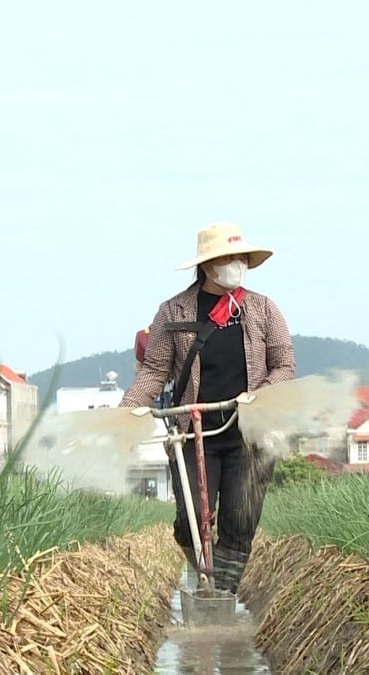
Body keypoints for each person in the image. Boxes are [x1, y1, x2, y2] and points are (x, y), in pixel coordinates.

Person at [120, 221, 295, 595]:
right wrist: (128, 411)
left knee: (239, 523)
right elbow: (154, 370)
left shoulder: (264, 309)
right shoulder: (173, 311)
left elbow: (284, 365)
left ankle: (220, 599)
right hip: (193, 432)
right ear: (207, 265)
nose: (236, 265)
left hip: (248, 434)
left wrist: (261, 395)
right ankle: (201, 569)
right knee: (190, 521)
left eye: (241, 258)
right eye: (228, 258)